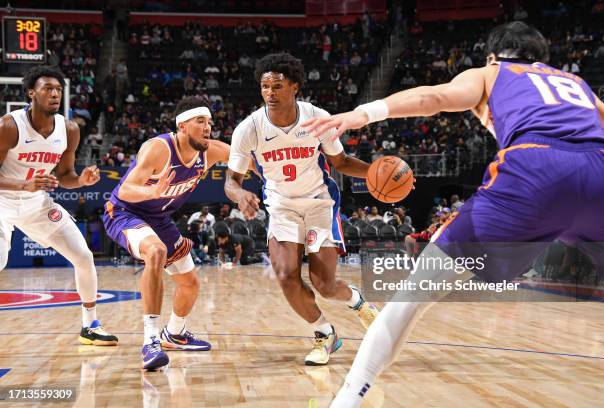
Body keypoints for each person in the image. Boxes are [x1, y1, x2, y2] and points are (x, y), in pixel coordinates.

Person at [303, 21, 604, 406]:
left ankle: (347, 399)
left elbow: (436, 96)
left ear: (493, 55)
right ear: (541, 58)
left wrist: (362, 114)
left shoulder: (492, 71)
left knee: (413, 296)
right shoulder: (575, 84)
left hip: (536, 169)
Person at [224, 52, 379, 366]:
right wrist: (239, 194)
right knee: (285, 275)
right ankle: (324, 334)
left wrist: (375, 173)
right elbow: (231, 180)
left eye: (277, 86)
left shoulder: (315, 117)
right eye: (265, 87)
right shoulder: (248, 128)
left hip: (319, 203)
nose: (270, 93)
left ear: (294, 87)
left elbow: (340, 162)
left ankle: (359, 304)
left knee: (324, 284)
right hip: (281, 208)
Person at [103, 97, 252, 370]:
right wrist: (153, 191)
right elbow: (125, 190)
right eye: (201, 121)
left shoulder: (213, 150)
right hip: (125, 213)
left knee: (190, 284)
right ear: (182, 125)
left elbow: (251, 162)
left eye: (210, 122)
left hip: (159, 218)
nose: (208, 127)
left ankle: (174, 333)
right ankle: (150, 340)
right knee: (156, 251)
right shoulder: (158, 148)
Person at [0, 66, 118, 346]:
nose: (54, 94)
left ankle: (90, 326)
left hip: (37, 204)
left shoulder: (69, 130)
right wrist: (22, 186)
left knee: (83, 256)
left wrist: (82, 181)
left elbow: (65, 177)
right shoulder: (9, 126)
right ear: (31, 93)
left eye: (58, 90)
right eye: (47, 89)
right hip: (3, 201)